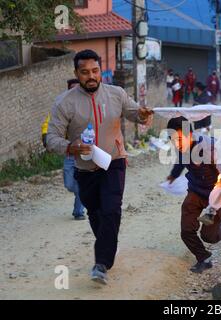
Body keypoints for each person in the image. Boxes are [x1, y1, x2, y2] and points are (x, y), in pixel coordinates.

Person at [46, 49, 153, 285]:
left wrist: (144, 115)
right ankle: (108, 246)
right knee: (95, 214)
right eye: (85, 72)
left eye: (95, 71)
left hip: (114, 162)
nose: (91, 76)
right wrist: (72, 147)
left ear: (100, 70)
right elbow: (51, 139)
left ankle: (101, 264)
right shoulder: (65, 103)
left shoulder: (117, 93)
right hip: (85, 170)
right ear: (76, 74)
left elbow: (136, 113)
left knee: (111, 210)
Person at [166, 117, 221, 274]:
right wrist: (173, 175)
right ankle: (203, 258)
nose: (177, 143)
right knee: (186, 230)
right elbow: (181, 162)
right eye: (173, 140)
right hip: (195, 191)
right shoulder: (182, 147)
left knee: (208, 236)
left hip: (216, 197)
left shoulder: (211, 148)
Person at [42, 79, 86, 220]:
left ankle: (79, 212)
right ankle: (83, 192)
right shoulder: (62, 106)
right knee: (69, 184)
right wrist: (45, 136)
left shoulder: (88, 106)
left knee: (80, 184)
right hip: (69, 151)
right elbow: (49, 123)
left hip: (86, 152)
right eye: (72, 89)